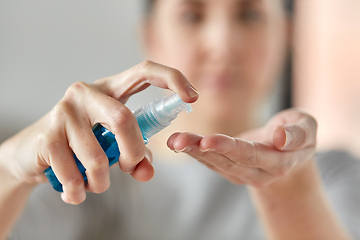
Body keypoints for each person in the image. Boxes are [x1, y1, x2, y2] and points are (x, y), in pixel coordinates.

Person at [1, 0, 359, 239]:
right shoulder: (94, 173)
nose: (222, 45)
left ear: (287, 34)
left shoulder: (331, 176)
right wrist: (9, 170)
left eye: (250, 14)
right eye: (192, 15)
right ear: (151, 36)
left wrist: (290, 188)